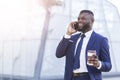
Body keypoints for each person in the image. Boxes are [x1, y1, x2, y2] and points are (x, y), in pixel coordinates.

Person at [56, 10, 112, 80]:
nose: (79, 21)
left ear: (91, 21)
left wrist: (98, 63)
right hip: (71, 77)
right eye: (78, 19)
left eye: (83, 19)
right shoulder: (72, 38)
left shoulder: (101, 40)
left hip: (89, 77)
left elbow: (108, 65)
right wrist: (68, 34)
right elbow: (58, 54)